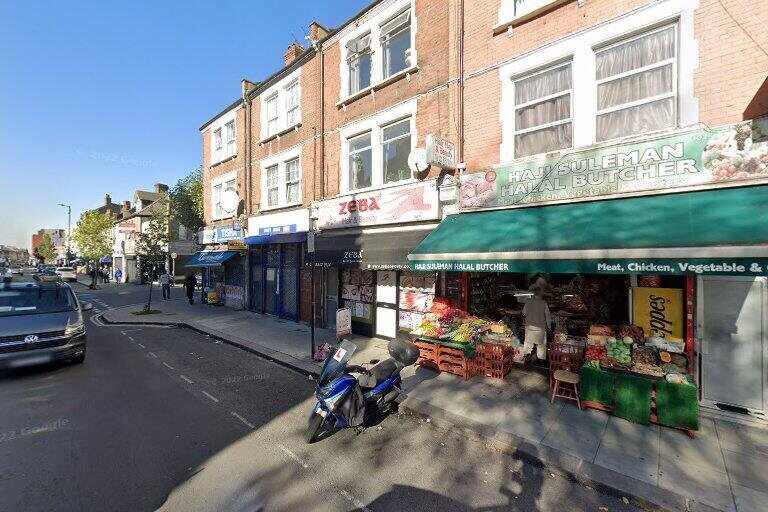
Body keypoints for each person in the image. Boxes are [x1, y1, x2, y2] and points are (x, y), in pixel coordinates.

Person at [522, 277, 552, 361]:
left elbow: (524, 313)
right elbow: (548, 317)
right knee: (541, 345)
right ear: (541, 293)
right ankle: (540, 360)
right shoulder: (544, 303)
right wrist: (549, 327)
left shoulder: (527, 301)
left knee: (528, 343)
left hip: (529, 327)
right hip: (540, 328)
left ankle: (526, 356)